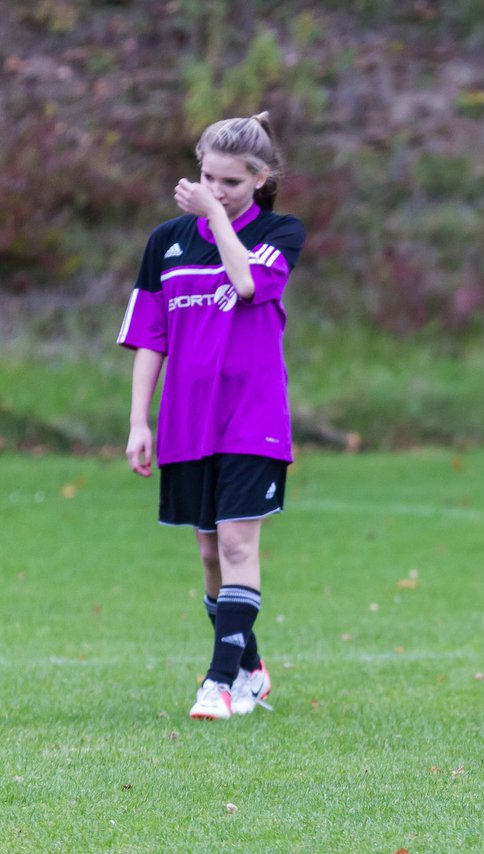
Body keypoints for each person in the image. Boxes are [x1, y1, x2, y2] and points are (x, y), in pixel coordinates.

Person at [118, 112, 305, 721]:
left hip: (253, 419)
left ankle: (219, 683)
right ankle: (250, 666)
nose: (215, 191)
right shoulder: (166, 241)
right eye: (207, 179)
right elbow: (151, 338)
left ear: (261, 179)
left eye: (230, 182)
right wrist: (138, 422)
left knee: (235, 542)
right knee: (207, 556)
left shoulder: (281, 231)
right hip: (186, 422)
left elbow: (247, 283)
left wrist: (218, 217)